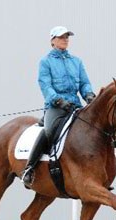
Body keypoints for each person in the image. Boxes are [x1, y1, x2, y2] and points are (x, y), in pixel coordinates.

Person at [22, 26, 96, 185]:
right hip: (56, 106)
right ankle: (29, 168)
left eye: (67, 37)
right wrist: (58, 100)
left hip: (74, 105)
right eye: (62, 37)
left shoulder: (76, 61)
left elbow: (84, 83)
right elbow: (45, 85)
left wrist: (89, 95)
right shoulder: (45, 62)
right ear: (53, 40)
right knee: (49, 131)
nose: (65, 39)